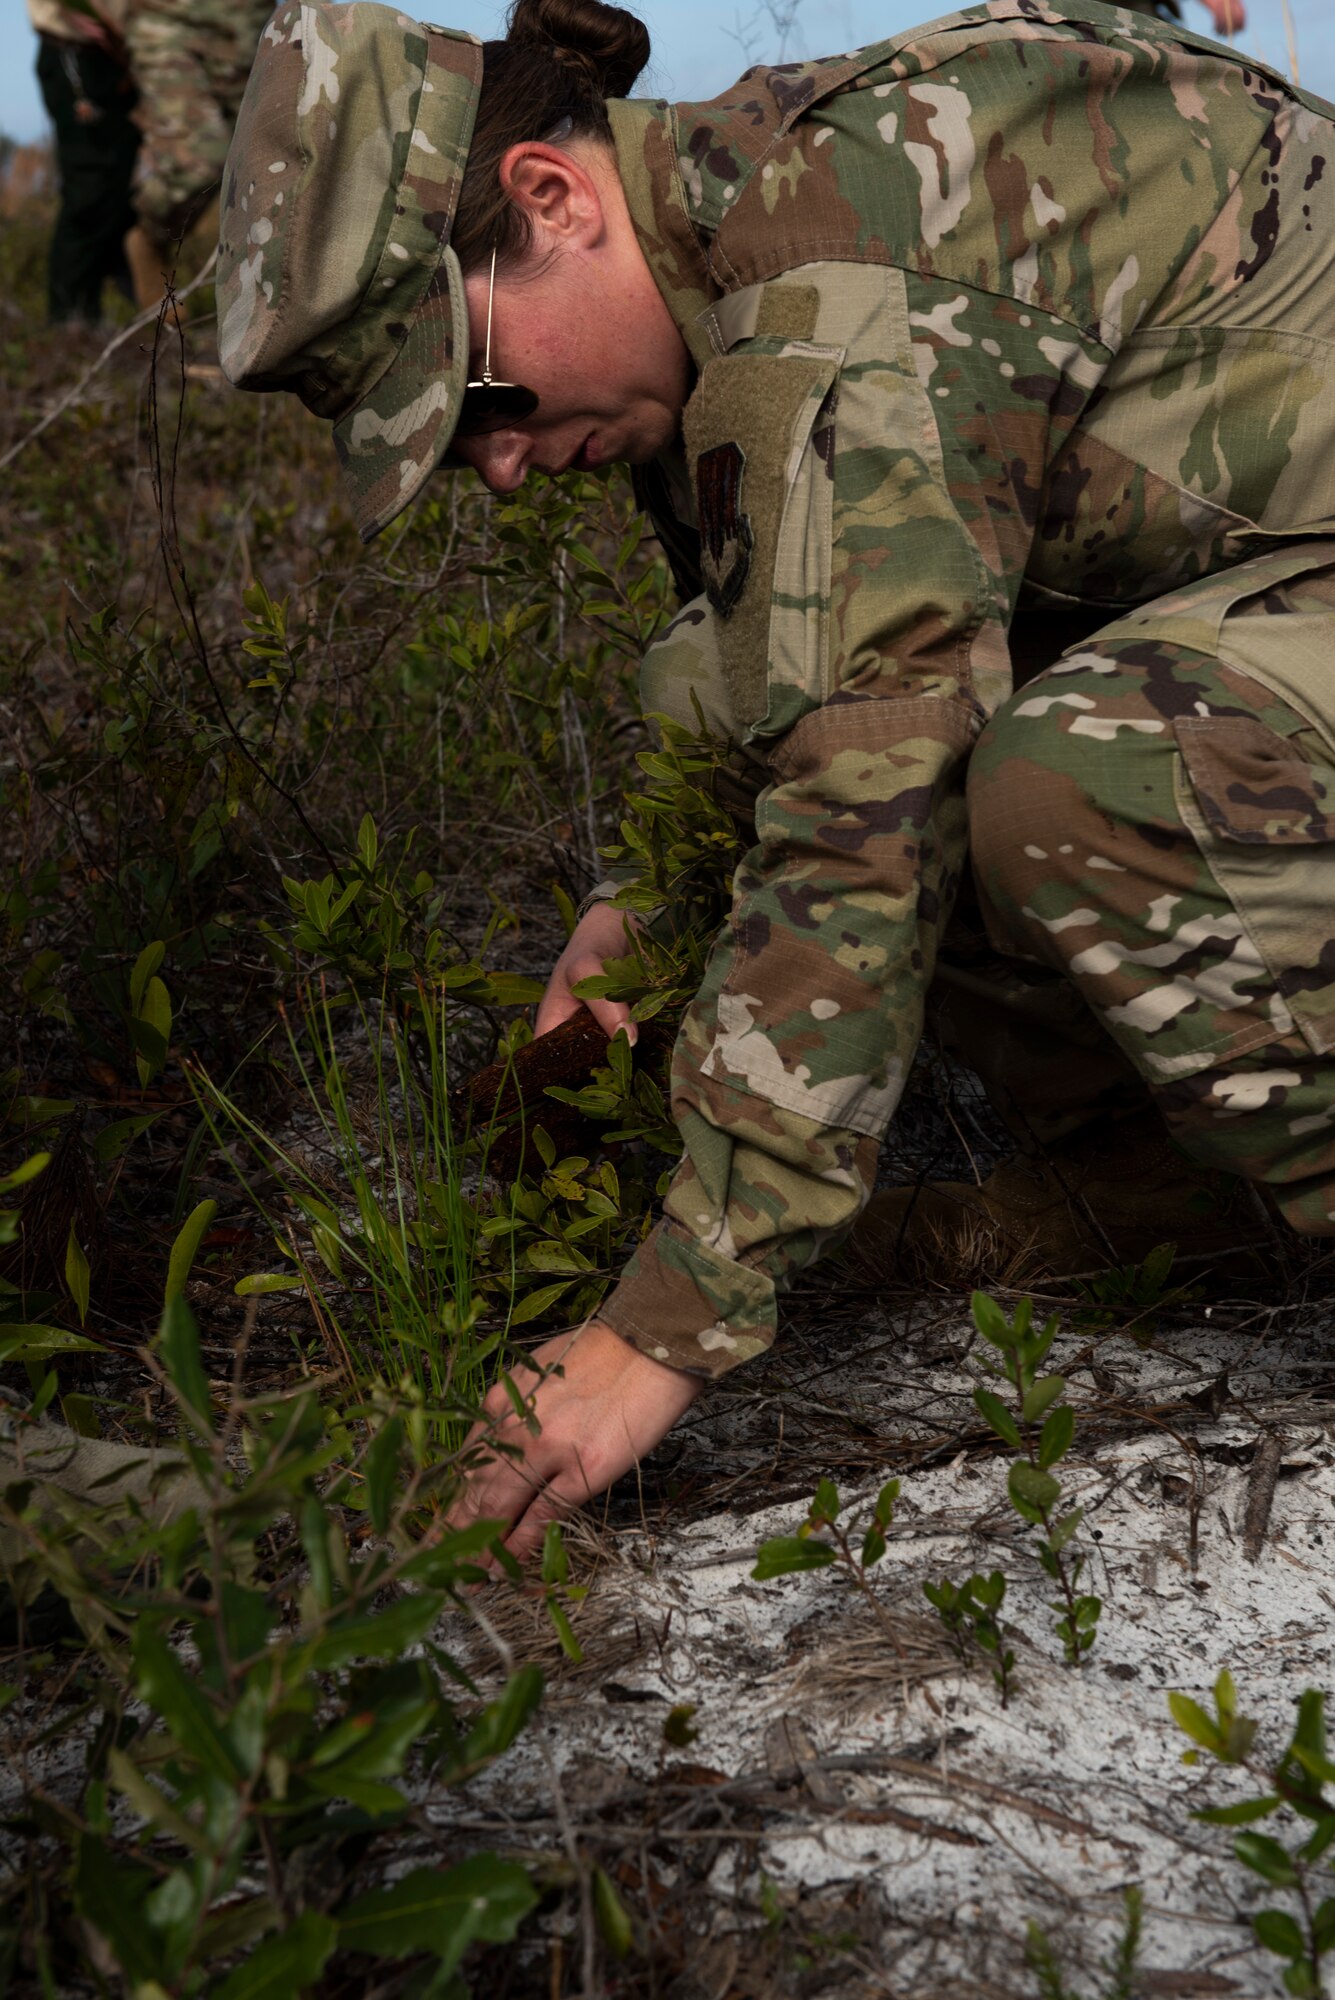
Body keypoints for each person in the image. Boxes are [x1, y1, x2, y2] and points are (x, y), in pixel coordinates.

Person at [216, 0, 1335, 1559]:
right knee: (711, 683)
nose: (496, 463)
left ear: (554, 197)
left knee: (1074, 777)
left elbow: (857, 812)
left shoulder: (826, 279)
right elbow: (765, 677)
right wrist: (635, 918)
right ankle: (1162, 1182)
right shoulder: (717, 267)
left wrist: (656, 1333)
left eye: (476, 397)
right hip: (1270, 572)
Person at [122, 0, 275, 304]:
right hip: (168, 22)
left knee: (268, 161)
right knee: (199, 162)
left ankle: (264, 309)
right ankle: (151, 237)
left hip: (249, 29)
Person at [28, 0, 139, 325]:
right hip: (75, 50)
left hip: (117, 60)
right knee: (87, 192)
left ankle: (109, 308)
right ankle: (68, 321)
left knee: (114, 187)